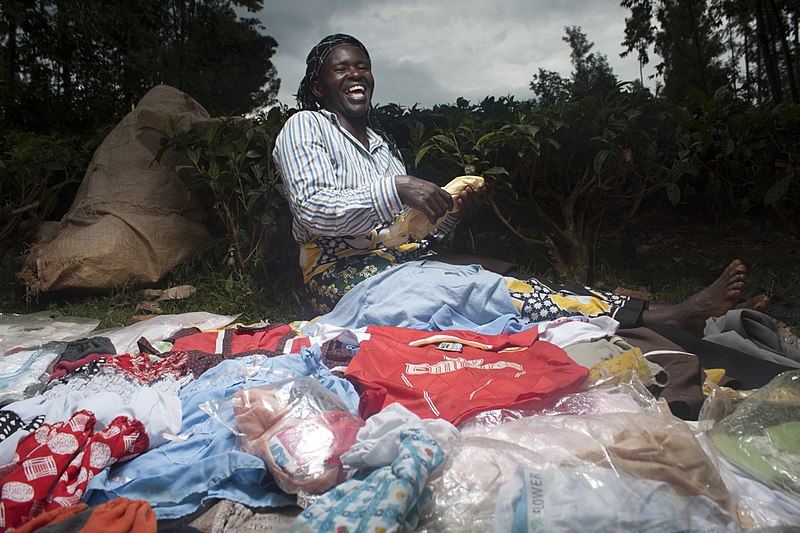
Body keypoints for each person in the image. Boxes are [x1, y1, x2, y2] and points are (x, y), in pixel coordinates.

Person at [273, 33, 769, 334]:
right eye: (342, 68)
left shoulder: (382, 146)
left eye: (363, 65)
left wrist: (447, 217)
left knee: (521, 285)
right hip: (345, 278)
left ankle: (676, 315)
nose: (356, 74)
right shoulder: (305, 127)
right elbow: (312, 211)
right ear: (319, 86)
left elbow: (406, 233)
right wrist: (397, 189)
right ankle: (673, 316)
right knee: (498, 295)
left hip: (398, 263)